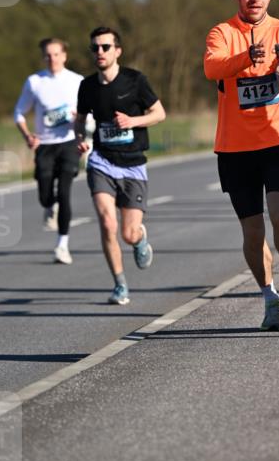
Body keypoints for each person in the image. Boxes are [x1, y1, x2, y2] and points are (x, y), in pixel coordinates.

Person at [203, 0, 279, 331]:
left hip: (278, 139)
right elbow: (212, 68)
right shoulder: (222, 32)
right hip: (235, 147)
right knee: (253, 231)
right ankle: (268, 297)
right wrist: (244, 58)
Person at [75, 26, 166, 305]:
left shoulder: (135, 81)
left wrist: (132, 121)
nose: (99, 52)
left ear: (117, 51)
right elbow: (79, 119)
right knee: (106, 222)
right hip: (101, 162)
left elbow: (159, 113)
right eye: (95, 48)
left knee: (127, 233)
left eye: (105, 47)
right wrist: (80, 138)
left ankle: (139, 239)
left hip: (133, 164)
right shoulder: (87, 86)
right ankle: (120, 284)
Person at [14, 38, 84, 265]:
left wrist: (80, 123)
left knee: (65, 192)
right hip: (44, 145)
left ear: (64, 56)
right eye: (47, 55)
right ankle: (48, 206)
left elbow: (90, 114)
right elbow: (19, 113)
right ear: (43, 57)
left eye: (56, 54)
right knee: (46, 195)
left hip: (69, 143)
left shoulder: (77, 81)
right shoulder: (34, 82)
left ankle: (62, 244)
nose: (52, 59)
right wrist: (28, 136)